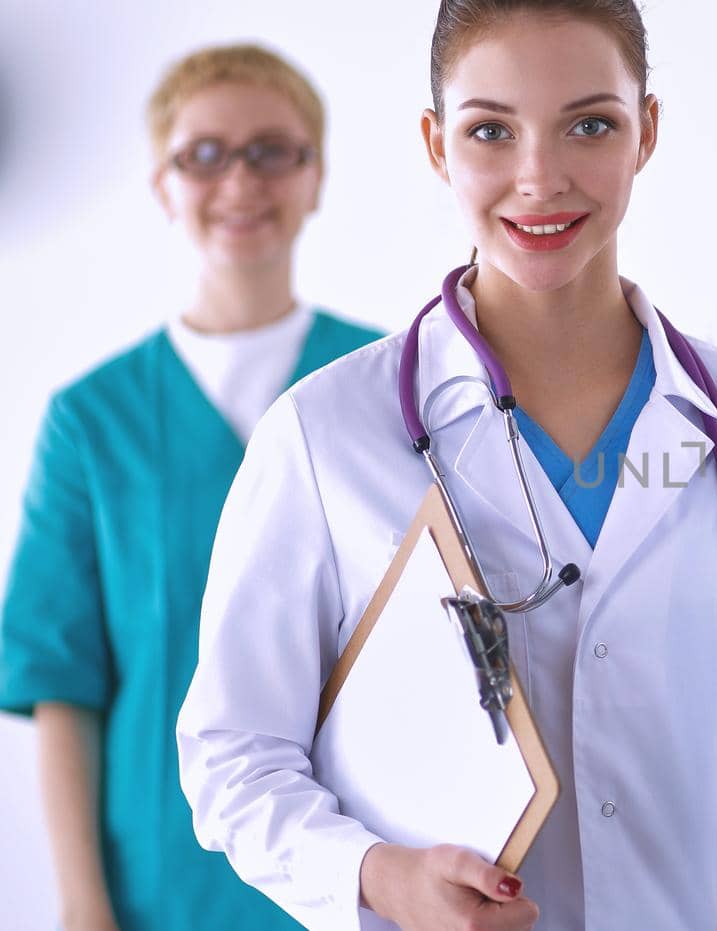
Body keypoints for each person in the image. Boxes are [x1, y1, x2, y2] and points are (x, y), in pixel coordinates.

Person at [174, 2, 717, 929]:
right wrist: (379, 875)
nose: (539, 178)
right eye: (490, 131)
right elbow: (234, 757)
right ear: (437, 145)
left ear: (648, 132)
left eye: (590, 124)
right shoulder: (324, 435)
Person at [0, 44, 382, 931]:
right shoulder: (93, 420)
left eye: (271, 150)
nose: (239, 181)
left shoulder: (388, 386)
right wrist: (82, 903)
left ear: (315, 175)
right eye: (203, 154)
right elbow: (66, 683)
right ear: (162, 185)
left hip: (362, 870)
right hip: (161, 880)